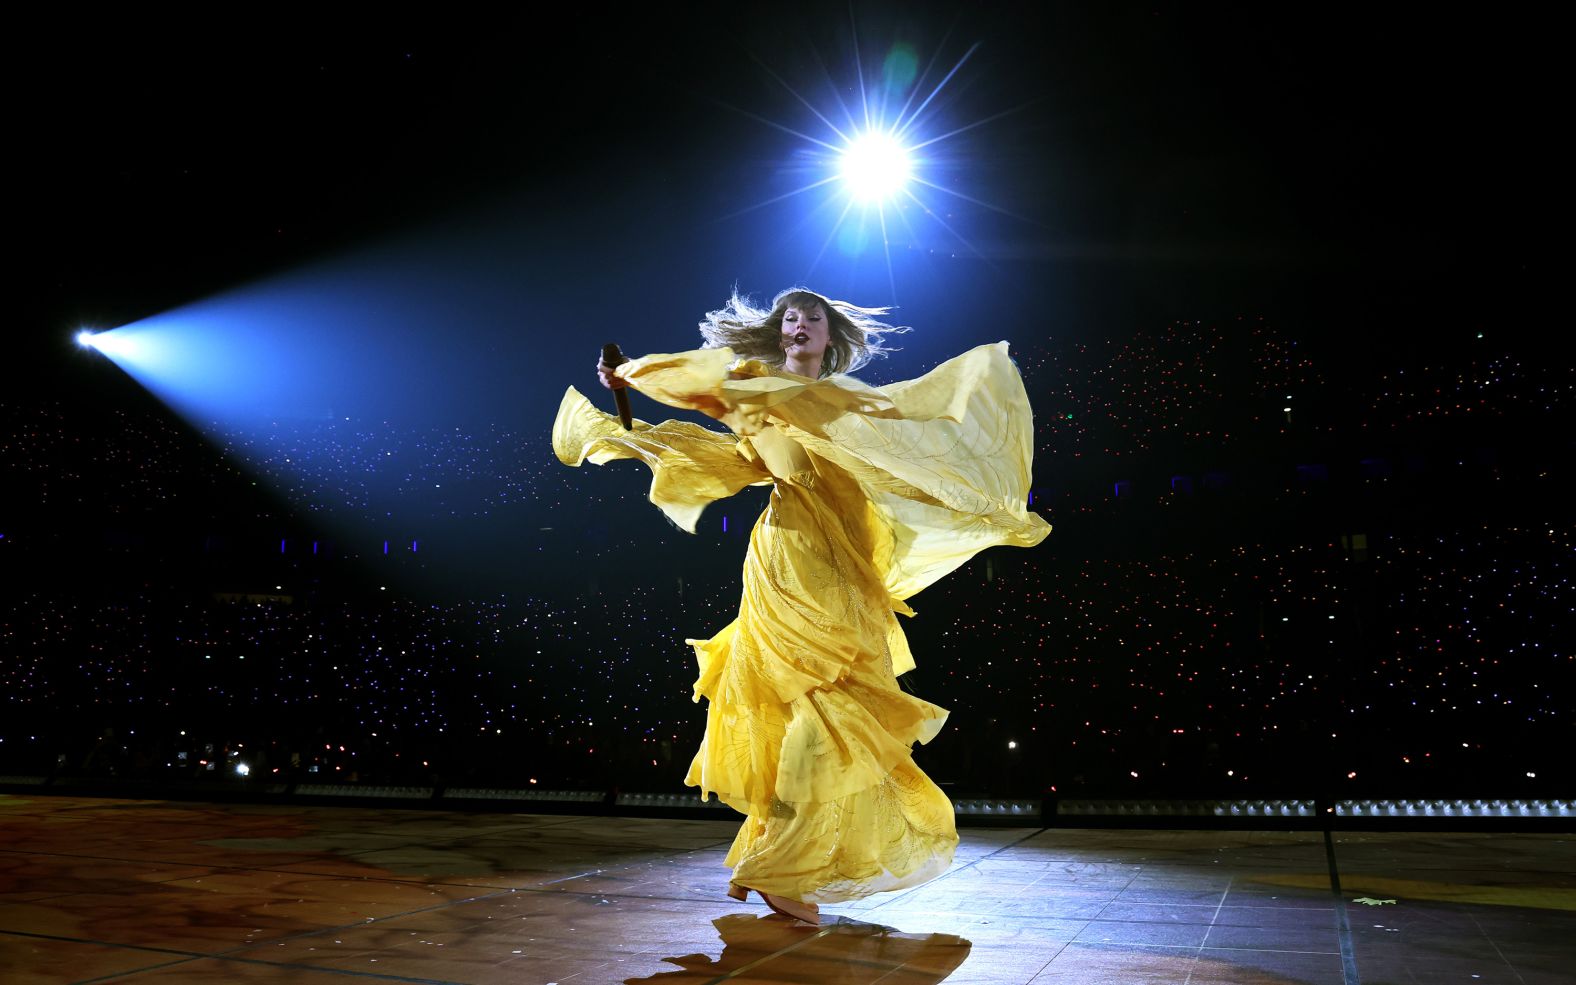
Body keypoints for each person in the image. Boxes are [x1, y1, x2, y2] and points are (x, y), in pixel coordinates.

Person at [552, 287, 1049, 924]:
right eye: (791, 316)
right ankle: (784, 865)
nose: (802, 324)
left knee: (842, 705)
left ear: (830, 334)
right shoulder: (756, 386)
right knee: (811, 705)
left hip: (851, 564)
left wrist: (977, 496)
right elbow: (712, 409)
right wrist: (633, 378)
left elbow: (916, 441)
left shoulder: (847, 401)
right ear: (777, 332)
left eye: (814, 317)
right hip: (790, 557)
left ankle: (783, 860)